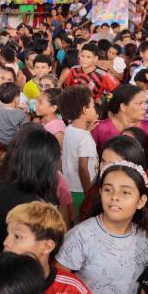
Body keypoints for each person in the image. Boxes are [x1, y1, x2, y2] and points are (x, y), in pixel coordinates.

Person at [57, 161, 148, 294]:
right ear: (100, 193)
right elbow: (59, 281)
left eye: (125, 192)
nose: (114, 196)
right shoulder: (81, 235)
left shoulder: (145, 241)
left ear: (141, 201)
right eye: (108, 189)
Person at [2, 201, 107, 294]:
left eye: (17, 236)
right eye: (7, 234)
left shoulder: (72, 288)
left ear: (47, 246)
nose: (6, 242)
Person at [60, 86, 99, 219]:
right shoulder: (85, 138)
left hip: (70, 187)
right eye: (93, 106)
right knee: (82, 221)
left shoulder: (70, 128)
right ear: (84, 110)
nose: (95, 110)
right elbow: (83, 167)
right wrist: (90, 194)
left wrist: (87, 129)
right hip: (82, 191)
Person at [0, 81, 28, 146]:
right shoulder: (20, 114)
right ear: (16, 98)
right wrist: (26, 113)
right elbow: (26, 128)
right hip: (13, 143)